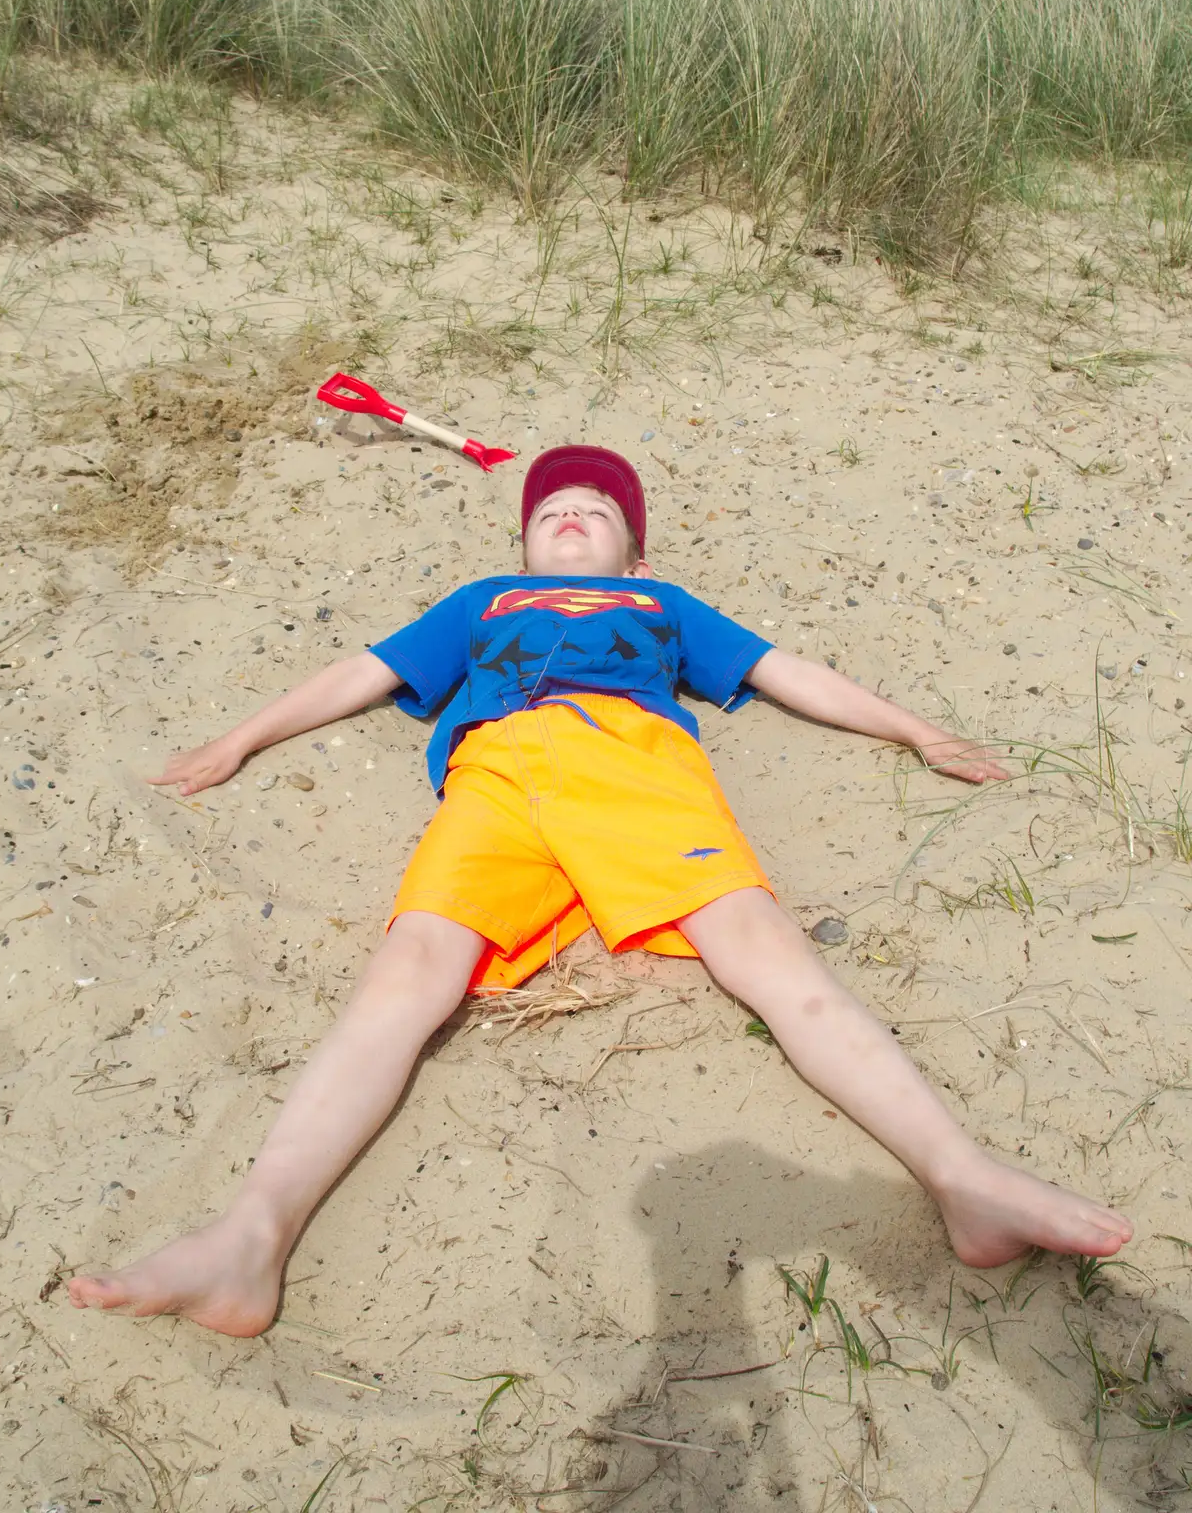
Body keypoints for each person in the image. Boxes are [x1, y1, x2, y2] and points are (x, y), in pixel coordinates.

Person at [68, 445, 1132, 1337]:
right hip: (499, 774)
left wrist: (914, 728)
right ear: (522, 544)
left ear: (637, 549)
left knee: (772, 961)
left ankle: (963, 1178)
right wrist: (241, 737)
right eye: (553, 512)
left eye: (596, 511)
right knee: (404, 977)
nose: (571, 518)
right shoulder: (484, 601)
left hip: (639, 767)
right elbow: (362, 670)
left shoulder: (660, 605)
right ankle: (253, 1233)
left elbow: (783, 669)